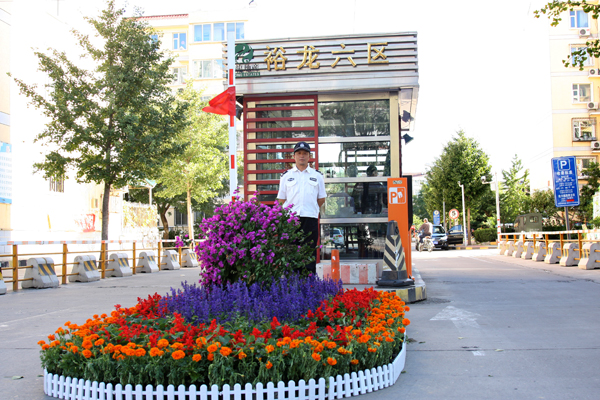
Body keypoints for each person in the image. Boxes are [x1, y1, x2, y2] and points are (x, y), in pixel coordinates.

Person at [277, 141, 327, 274]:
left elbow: (321, 198)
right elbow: (281, 199)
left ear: (309, 156)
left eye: (305, 153)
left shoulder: (317, 176)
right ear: (294, 156)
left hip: (310, 218)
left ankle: (308, 282)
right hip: (291, 220)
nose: (302, 156)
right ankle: (292, 282)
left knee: (309, 252)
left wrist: (310, 208)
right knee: (291, 251)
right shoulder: (286, 176)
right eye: (299, 153)